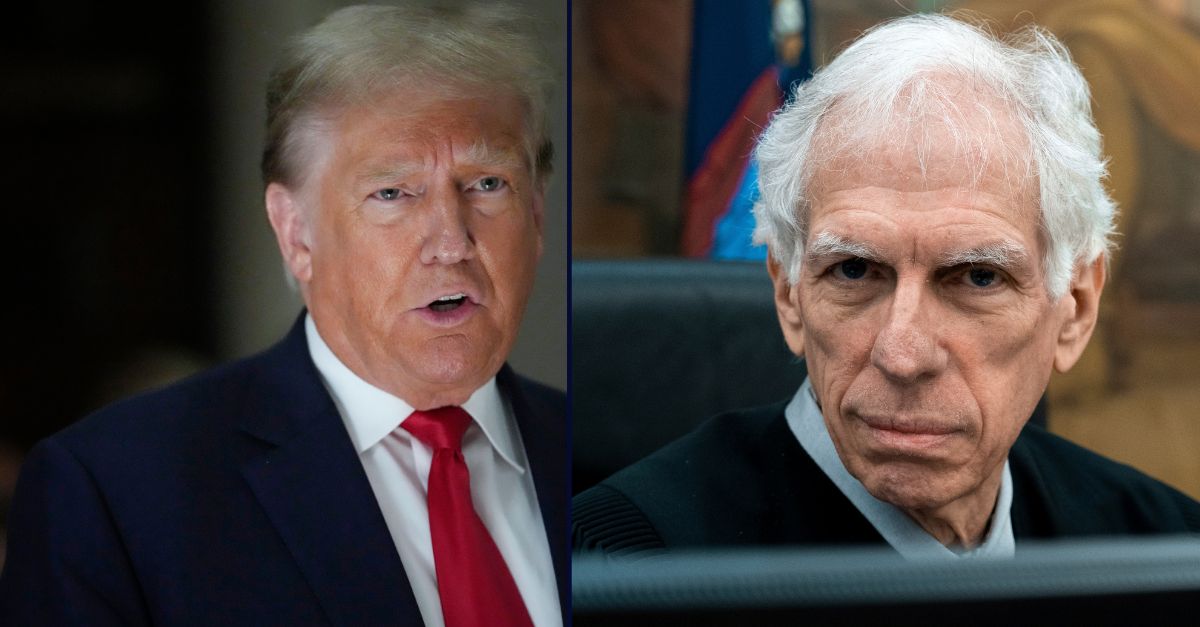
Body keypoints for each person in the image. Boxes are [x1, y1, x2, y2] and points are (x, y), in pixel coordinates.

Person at [0, 4, 565, 625]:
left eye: (487, 184)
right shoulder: (114, 494)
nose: (451, 241)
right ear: (296, 234)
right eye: (392, 193)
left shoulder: (609, 464)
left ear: (536, 214)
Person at [574, 14, 1200, 559]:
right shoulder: (621, 565)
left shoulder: (1163, 550)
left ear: (1075, 309)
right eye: (853, 270)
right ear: (789, 294)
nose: (902, 355)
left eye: (978, 277)